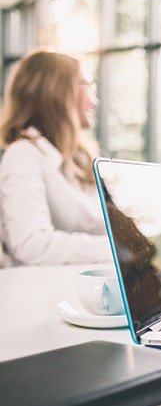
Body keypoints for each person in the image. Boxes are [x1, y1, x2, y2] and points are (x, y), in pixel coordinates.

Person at [0, 51, 111, 266]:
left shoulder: (80, 158)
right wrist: (118, 250)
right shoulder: (23, 155)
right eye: (87, 86)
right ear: (57, 93)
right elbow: (30, 244)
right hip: (46, 292)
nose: (94, 101)